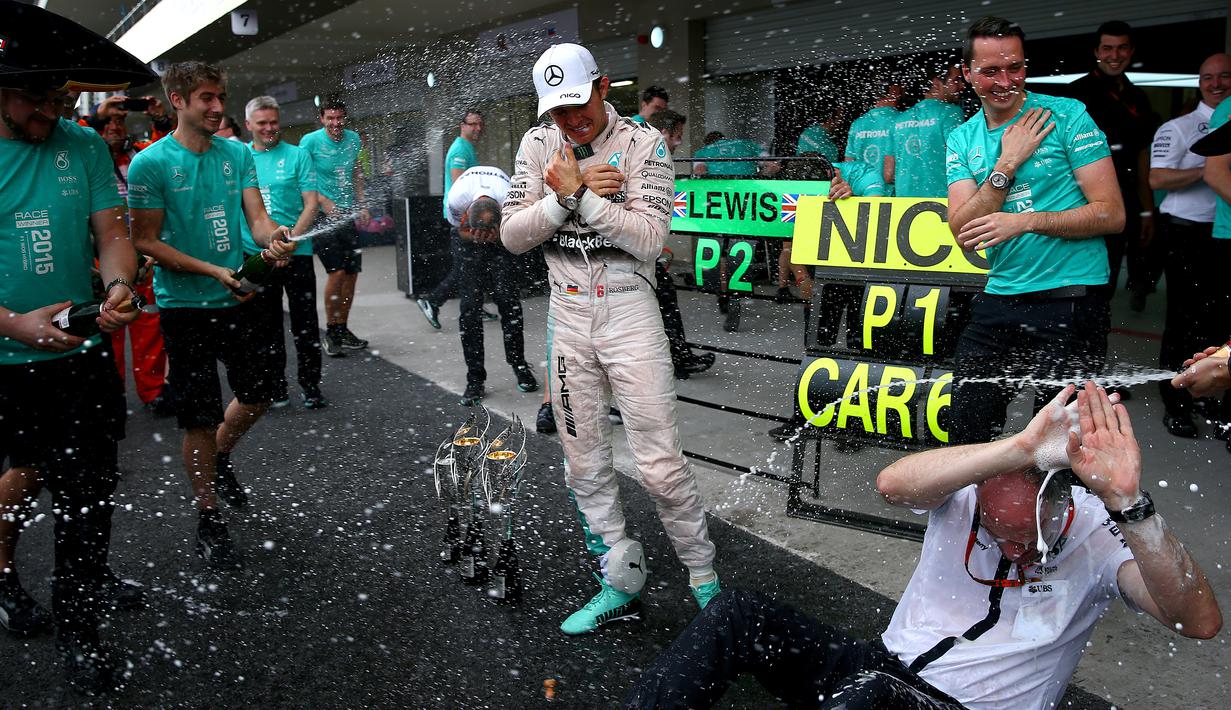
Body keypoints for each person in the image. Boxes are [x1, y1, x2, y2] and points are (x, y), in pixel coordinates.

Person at [626, 383, 1222, 709]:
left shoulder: (1098, 528)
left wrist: (1132, 505)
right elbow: (891, 484)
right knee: (737, 615)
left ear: (1062, 504)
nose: (1013, 551)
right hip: (878, 670)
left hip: (954, 708)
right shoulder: (963, 491)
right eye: (998, 535)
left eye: (1028, 540)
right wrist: (1018, 448)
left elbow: (1196, 620)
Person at [503, 42, 721, 635]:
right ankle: (619, 581)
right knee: (584, 463)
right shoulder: (536, 144)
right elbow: (514, 235)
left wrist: (580, 197)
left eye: (578, 104)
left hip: (629, 309)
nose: (571, 121)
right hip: (567, 313)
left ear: (602, 86)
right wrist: (561, 197)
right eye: (557, 111)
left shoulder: (645, 142)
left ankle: (708, 590)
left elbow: (650, 239)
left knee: (660, 466)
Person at [0, 1, 154, 691]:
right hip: (6, 360)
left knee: (88, 494)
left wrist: (118, 288)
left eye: (59, 97)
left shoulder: (85, 146)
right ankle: (5, 574)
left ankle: (80, 620)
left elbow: (113, 234)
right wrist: (14, 323)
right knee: (17, 480)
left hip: (81, 356)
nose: (50, 112)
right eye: (36, 98)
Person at [129, 61, 296, 571]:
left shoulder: (237, 154)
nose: (217, 106)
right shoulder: (149, 164)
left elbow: (257, 217)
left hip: (237, 298)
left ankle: (220, 455)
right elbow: (145, 240)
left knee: (260, 393)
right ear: (177, 100)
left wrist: (275, 238)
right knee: (198, 415)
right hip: (185, 309)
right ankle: (208, 514)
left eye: (219, 96)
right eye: (205, 97)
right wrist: (209, 270)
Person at [945, 16, 1124, 446]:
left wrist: (1024, 221)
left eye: (1016, 68)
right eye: (990, 71)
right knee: (966, 431)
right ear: (967, 74)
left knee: (1067, 448)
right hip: (1000, 297)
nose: (1006, 81)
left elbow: (1111, 214)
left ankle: (1066, 513)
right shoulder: (961, 137)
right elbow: (963, 228)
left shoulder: (1065, 115)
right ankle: (967, 514)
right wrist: (1007, 164)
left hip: (1071, 299)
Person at [1150, 53, 1231, 438]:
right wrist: (1213, 165)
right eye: (1208, 78)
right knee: (1184, 322)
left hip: (1219, 236)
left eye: (1224, 76)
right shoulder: (1178, 127)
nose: (1216, 84)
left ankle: (1213, 396)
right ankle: (1176, 403)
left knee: (1218, 325)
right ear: (1198, 83)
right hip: (1186, 233)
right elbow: (1156, 178)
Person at [243, 96, 328, 409]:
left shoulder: (297, 155)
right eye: (262, 123)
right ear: (249, 125)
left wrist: (287, 241)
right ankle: (275, 387)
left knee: (305, 324)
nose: (269, 128)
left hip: (298, 253)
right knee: (267, 327)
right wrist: (270, 248)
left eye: (273, 122)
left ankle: (310, 386)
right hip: (256, 256)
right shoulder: (240, 157)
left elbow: (311, 202)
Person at [1068, 22, 1159, 311]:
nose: (1114, 55)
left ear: (1131, 51)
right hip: (1085, 200)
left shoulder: (1139, 98)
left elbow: (1143, 157)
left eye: (1121, 48)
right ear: (1096, 52)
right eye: (1107, 48)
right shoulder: (1075, 96)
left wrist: (1146, 211)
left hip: (1128, 198)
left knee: (1108, 283)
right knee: (1083, 279)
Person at [94, 109, 174, 415]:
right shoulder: (90, 158)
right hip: (103, 254)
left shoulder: (135, 155)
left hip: (141, 252)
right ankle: (112, 395)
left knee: (147, 322)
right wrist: (98, 113)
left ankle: (152, 390)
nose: (115, 128)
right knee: (109, 324)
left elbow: (161, 149)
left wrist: (159, 119)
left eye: (120, 122)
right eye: (108, 123)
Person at [444, 166, 537, 405]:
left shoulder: (512, 198)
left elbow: (518, 235)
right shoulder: (457, 199)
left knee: (509, 302)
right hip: (467, 238)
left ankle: (519, 365)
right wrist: (473, 236)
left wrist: (498, 237)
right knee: (469, 308)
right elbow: (458, 230)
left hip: (503, 237)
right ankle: (475, 379)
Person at [645, 108, 717, 378]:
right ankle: (676, 359)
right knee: (659, 304)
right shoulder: (643, 158)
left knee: (664, 300)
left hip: (643, 254)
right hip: (627, 259)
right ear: (663, 133)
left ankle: (677, 357)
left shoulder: (655, 160)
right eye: (677, 136)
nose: (679, 143)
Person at [299, 96, 369, 356]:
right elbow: (302, 177)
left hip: (348, 214)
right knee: (337, 272)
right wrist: (323, 201)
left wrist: (362, 203)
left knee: (351, 275)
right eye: (330, 118)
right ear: (322, 119)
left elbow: (357, 171)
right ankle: (330, 331)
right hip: (321, 217)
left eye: (339, 118)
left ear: (345, 118)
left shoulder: (353, 139)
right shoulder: (310, 142)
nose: (335, 123)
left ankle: (342, 328)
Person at [417, 109, 496, 329]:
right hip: (461, 219)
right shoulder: (460, 149)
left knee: (474, 265)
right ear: (462, 125)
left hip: (468, 217)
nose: (477, 128)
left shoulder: (467, 147)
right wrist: (471, 218)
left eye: (480, 124)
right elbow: (460, 186)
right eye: (473, 124)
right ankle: (432, 301)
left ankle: (474, 305)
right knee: (465, 267)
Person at [889, 63, 966, 198]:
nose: (962, 86)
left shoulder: (899, 119)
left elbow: (888, 173)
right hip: (942, 202)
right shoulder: (951, 113)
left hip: (905, 204)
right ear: (936, 83)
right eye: (956, 80)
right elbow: (962, 160)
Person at [846, 82, 902, 196]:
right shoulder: (901, 121)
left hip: (862, 196)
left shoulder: (857, 124)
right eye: (901, 87)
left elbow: (849, 165)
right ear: (894, 90)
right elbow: (890, 174)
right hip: (891, 198)